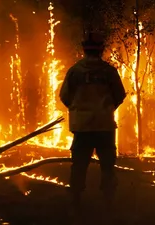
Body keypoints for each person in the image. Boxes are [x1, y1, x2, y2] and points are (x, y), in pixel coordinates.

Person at [59, 30, 126, 216]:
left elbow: (64, 96)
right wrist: (106, 108)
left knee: (79, 165)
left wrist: (78, 109)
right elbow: (120, 95)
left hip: (83, 127)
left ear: (84, 49)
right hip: (104, 126)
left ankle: (75, 203)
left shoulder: (74, 72)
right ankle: (109, 204)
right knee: (107, 167)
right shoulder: (109, 72)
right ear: (101, 50)